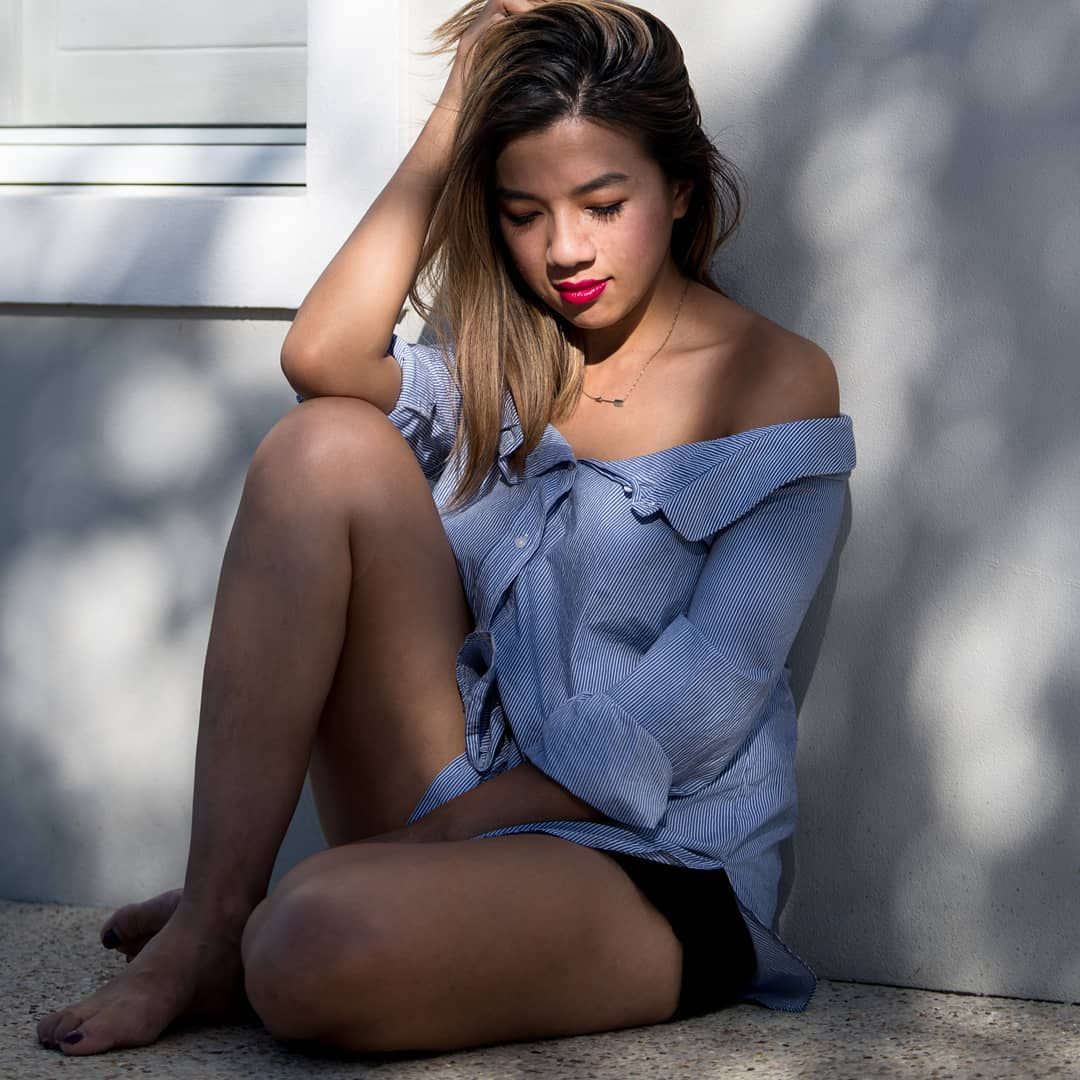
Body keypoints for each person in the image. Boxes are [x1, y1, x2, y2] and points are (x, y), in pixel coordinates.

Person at [37, 0, 855, 1058]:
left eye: (605, 204)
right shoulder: (503, 364)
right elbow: (322, 357)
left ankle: (272, 925)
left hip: (654, 856)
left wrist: (432, 840)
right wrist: (452, 115)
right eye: (523, 212)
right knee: (321, 447)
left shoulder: (775, 381)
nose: (565, 249)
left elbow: (705, 695)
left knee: (307, 948)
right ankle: (212, 920)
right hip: (459, 797)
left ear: (682, 189)